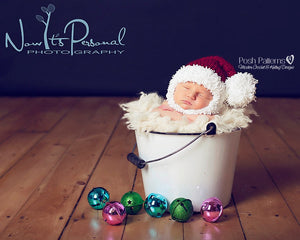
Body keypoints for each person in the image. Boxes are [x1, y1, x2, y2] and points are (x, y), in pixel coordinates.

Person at [153, 56, 258, 122]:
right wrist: (183, 116)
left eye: (201, 94)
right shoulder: (168, 105)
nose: (190, 95)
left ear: (214, 102)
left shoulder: (210, 117)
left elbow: (212, 122)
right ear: (174, 88)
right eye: (186, 88)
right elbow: (155, 113)